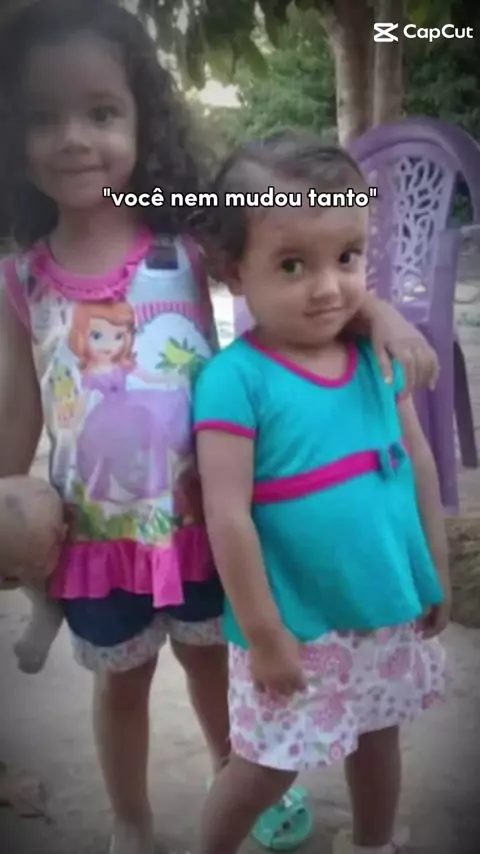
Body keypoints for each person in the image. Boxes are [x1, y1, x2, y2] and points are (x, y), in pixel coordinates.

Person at [0, 1, 439, 852]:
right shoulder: (21, 278)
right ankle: (131, 818)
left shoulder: (187, 242)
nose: (74, 139)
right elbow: (18, 408)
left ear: (143, 118)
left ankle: (232, 776)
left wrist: (379, 313)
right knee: (120, 687)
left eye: (101, 112)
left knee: (214, 670)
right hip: (97, 537)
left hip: (208, 525)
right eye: (42, 117)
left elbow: (298, 260)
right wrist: (10, 511)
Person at [193, 131, 450, 854]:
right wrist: (264, 633)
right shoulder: (235, 381)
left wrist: (432, 568)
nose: (330, 287)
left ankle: (372, 843)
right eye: (293, 264)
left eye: (347, 257)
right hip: (293, 627)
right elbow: (228, 516)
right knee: (263, 768)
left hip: (382, 609)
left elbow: (417, 463)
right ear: (235, 271)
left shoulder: (374, 355)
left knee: (379, 737)